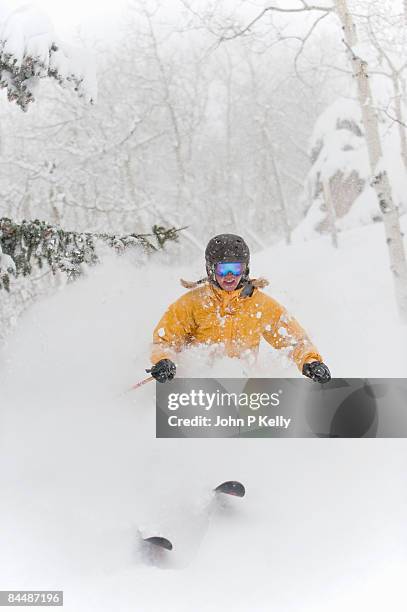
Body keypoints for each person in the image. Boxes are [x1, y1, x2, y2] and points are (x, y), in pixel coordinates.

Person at [147, 234, 331, 384]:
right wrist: (164, 360)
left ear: (245, 269)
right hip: (197, 387)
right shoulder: (193, 303)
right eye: (222, 269)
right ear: (211, 270)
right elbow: (165, 340)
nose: (229, 276)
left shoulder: (260, 304)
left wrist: (311, 362)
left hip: (241, 387)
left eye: (235, 269)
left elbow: (294, 341)